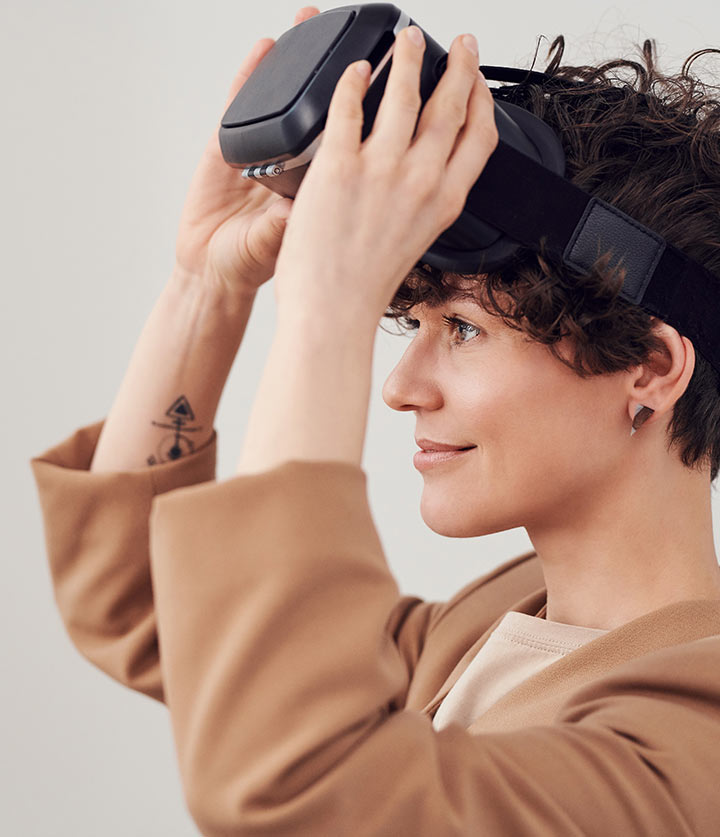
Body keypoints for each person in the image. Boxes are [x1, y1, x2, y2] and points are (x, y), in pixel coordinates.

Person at [29, 6, 720, 835]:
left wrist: (331, 303)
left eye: (463, 328)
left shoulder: (688, 749)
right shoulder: (494, 625)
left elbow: (297, 783)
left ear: (650, 368)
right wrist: (205, 288)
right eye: (415, 322)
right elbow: (151, 598)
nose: (398, 386)